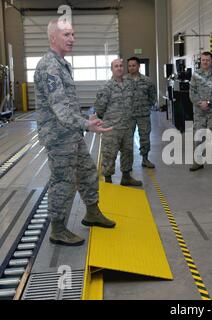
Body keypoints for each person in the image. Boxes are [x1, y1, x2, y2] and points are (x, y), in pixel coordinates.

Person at [34, 19, 115, 247]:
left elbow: (67, 104)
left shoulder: (61, 64)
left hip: (71, 134)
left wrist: (85, 119)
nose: (72, 39)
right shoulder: (48, 66)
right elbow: (59, 109)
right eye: (67, 35)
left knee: (88, 172)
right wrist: (87, 125)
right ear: (53, 38)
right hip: (58, 137)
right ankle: (58, 229)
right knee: (63, 182)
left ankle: (92, 213)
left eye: (73, 34)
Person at [95, 59, 143, 187]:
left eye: (121, 66)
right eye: (116, 66)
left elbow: (134, 100)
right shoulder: (106, 87)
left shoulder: (130, 84)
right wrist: (110, 119)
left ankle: (126, 177)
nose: (119, 68)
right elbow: (99, 108)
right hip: (112, 128)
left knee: (128, 152)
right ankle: (108, 181)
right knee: (109, 154)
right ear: (112, 69)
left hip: (127, 126)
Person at [126, 57, 157, 169]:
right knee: (127, 139)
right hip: (128, 115)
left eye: (134, 65)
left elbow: (153, 96)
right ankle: (128, 164)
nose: (131, 68)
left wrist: (147, 106)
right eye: (129, 66)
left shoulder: (147, 81)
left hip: (143, 115)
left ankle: (145, 159)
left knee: (145, 137)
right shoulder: (123, 80)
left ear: (138, 66)